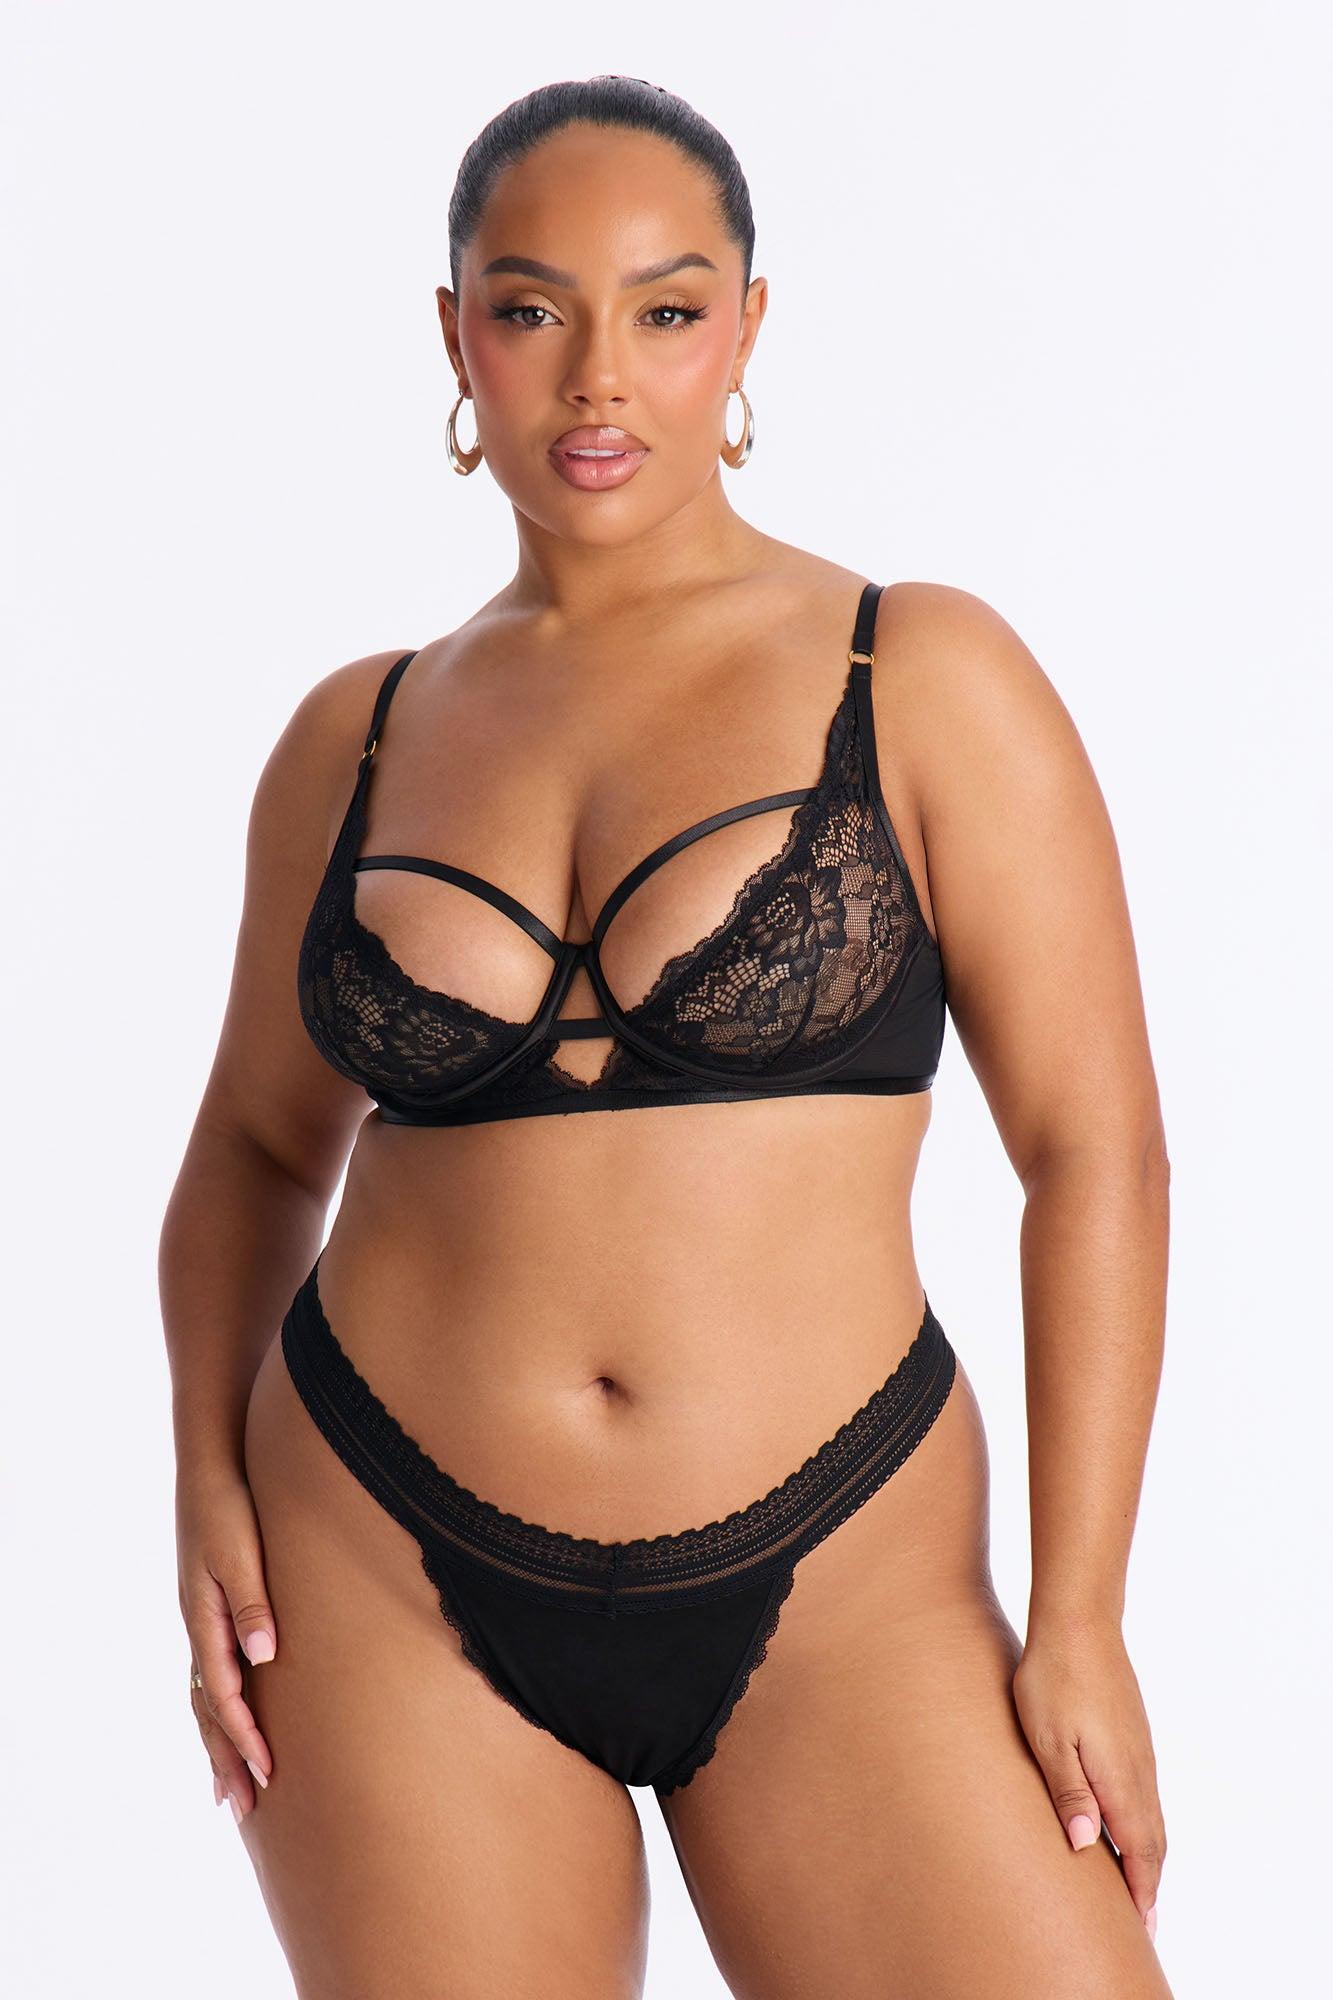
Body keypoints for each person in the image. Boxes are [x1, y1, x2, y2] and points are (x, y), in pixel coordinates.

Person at [160, 74, 1174, 1999]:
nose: (597, 376)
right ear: (456, 337)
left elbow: (1093, 1153)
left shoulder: (918, 670)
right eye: (530, 308)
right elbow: (253, 1147)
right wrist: (204, 1478)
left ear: (748, 330)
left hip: (845, 1578)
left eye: (667, 307)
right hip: (371, 1564)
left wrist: (1081, 1616)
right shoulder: (351, 736)